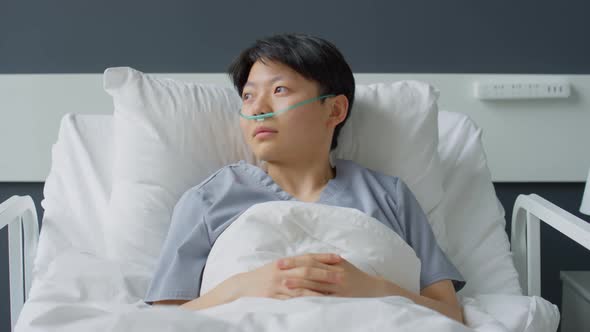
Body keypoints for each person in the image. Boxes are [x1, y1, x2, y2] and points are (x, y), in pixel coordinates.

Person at [145, 33, 465, 323]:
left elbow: (451, 314)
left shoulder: (389, 196)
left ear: (335, 110)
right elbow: (164, 321)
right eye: (248, 96)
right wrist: (242, 287)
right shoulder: (210, 198)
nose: (258, 109)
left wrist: (373, 289)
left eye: (279, 89)